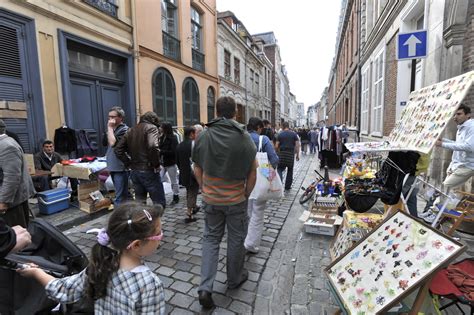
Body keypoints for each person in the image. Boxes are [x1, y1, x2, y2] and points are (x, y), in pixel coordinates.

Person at [18, 203, 166, 314]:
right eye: (158, 233)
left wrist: (36, 273)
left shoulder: (101, 265)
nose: (161, 236)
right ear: (136, 244)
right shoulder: (150, 285)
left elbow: (63, 289)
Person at [192, 96, 257, 309]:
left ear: (216, 111)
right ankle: (234, 278)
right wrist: (245, 194)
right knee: (236, 240)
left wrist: (203, 187)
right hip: (235, 199)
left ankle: (205, 288)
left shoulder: (204, 135)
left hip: (211, 199)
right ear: (235, 113)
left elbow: (197, 167)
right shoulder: (244, 138)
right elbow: (252, 173)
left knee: (211, 240)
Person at [115, 112, 166, 208]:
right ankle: (155, 222)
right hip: (148, 170)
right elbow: (152, 146)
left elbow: (118, 149)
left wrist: (128, 163)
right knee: (159, 203)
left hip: (135, 171)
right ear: (154, 120)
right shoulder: (151, 128)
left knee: (140, 203)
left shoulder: (131, 130)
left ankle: (141, 222)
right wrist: (156, 164)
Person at [244, 117, 279, 254]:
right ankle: (251, 244)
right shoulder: (262, 139)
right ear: (258, 127)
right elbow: (274, 160)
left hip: (242, 181)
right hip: (258, 182)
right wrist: (266, 174)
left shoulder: (241, 137)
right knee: (257, 213)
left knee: (247, 212)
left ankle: (245, 237)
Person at [0, 119, 35, 228]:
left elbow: (12, 177)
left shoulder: (6, 146)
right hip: (11, 201)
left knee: (17, 236)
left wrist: (3, 202)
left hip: (12, 203)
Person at [435, 104, 474, 191]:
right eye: (454, 114)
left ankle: (439, 204)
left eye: (459, 114)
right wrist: (443, 140)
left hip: (467, 166)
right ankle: (451, 203)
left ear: (468, 115)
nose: (455, 117)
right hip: (457, 164)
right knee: (453, 193)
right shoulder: (461, 127)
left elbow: (469, 147)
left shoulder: (471, 127)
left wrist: (442, 144)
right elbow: (458, 144)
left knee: (445, 188)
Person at [103, 107, 129, 205]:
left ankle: (119, 218)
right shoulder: (112, 129)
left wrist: (110, 128)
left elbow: (113, 143)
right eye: (109, 117)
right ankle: (126, 214)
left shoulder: (124, 130)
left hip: (120, 167)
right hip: (112, 165)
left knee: (120, 197)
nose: (110, 119)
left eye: (113, 117)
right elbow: (105, 143)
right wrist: (109, 130)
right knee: (123, 195)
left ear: (121, 118)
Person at [176, 126, 200, 223]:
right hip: (193, 173)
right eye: (195, 133)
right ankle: (189, 213)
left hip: (184, 173)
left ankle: (194, 206)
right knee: (192, 193)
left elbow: (177, 161)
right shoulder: (194, 144)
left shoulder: (179, 145)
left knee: (189, 192)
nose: (196, 135)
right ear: (191, 134)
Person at [158, 122, 180, 206]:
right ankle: (160, 196)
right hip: (162, 163)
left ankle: (176, 196)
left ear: (165, 128)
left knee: (173, 181)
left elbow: (174, 152)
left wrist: (161, 151)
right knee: (158, 179)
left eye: (161, 127)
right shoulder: (162, 137)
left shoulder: (173, 138)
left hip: (170, 163)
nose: (160, 128)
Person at [275, 121, 300, 191]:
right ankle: (287, 186)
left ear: (282, 126)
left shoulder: (280, 134)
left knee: (279, 169)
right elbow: (297, 145)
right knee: (290, 170)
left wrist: (277, 153)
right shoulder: (294, 134)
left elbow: (276, 146)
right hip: (290, 154)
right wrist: (297, 155)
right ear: (288, 126)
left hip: (282, 153)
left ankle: (279, 183)